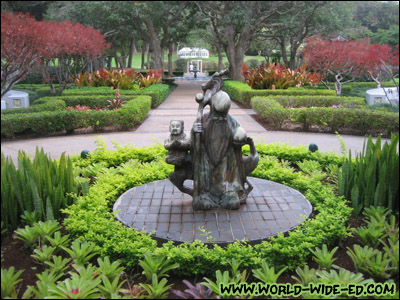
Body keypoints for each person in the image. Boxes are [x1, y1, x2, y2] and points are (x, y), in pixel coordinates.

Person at [164, 120, 193, 195]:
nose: (175, 128)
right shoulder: (169, 137)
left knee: (184, 161)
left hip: (183, 156)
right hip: (173, 156)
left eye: (177, 126)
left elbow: (189, 144)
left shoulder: (185, 136)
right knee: (168, 159)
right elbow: (166, 146)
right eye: (173, 127)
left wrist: (180, 144)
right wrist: (172, 145)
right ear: (169, 128)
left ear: (182, 128)